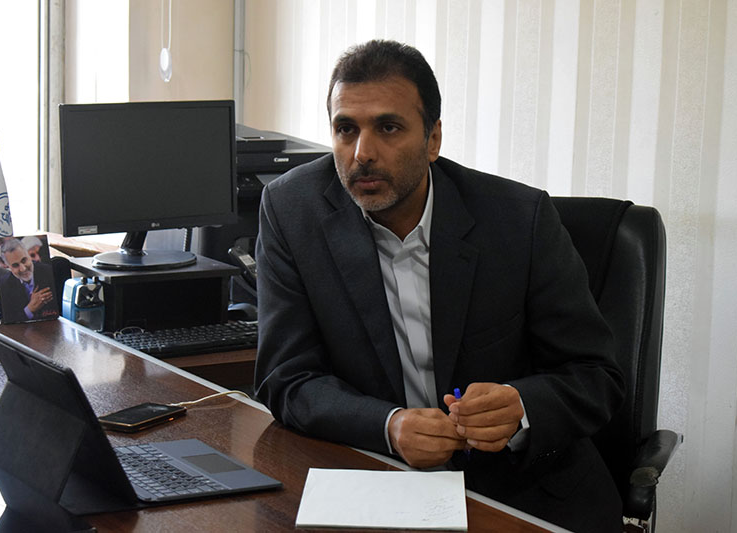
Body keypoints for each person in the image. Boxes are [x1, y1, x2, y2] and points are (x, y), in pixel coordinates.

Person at [254, 40, 625, 532]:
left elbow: (596, 375)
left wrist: (521, 408)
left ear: (433, 139)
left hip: (521, 490)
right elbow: (286, 378)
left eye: (388, 128)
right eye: (346, 129)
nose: (362, 154)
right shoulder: (291, 211)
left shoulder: (520, 220)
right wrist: (389, 425)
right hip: (378, 481)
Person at [0, 237, 57, 323]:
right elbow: (9, 319)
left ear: (29, 256)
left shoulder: (49, 272)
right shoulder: (3, 286)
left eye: (24, 260)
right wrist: (29, 309)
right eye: (15, 265)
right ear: (8, 267)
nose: (23, 269)